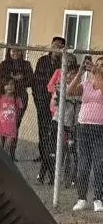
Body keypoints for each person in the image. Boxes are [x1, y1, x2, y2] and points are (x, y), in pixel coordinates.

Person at [67, 55, 103, 211]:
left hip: (100, 128)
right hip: (83, 127)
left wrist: (97, 73)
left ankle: (98, 199)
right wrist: (80, 72)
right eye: (98, 65)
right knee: (83, 163)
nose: (100, 67)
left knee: (99, 163)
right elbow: (70, 91)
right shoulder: (86, 84)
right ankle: (81, 198)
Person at [34, 37, 66, 181]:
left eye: (60, 46)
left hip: (56, 102)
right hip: (42, 98)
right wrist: (38, 96)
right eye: (55, 45)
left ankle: (52, 155)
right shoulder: (43, 61)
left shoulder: (63, 63)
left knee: (53, 130)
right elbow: (37, 80)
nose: (57, 48)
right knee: (42, 127)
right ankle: (42, 153)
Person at [46, 54, 80, 185]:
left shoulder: (80, 89)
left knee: (70, 151)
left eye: (75, 74)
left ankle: (70, 178)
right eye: (70, 74)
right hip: (59, 122)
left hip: (72, 124)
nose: (72, 77)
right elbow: (55, 104)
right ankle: (52, 176)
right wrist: (61, 97)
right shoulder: (61, 87)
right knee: (55, 150)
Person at [0, 45, 34, 122]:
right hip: (4, 95)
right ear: (9, 52)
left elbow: (31, 81)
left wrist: (21, 79)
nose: (16, 53)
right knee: (1, 119)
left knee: (16, 121)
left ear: (21, 52)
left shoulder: (26, 64)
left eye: (18, 51)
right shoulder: (4, 64)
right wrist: (9, 79)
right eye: (13, 51)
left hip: (20, 95)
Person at [0, 78, 23, 156]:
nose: (10, 86)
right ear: (3, 86)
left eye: (12, 84)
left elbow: (19, 113)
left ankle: (4, 165)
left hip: (11, 128)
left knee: (6, 149)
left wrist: (13, 121)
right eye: (7, 84)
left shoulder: (17, 99)